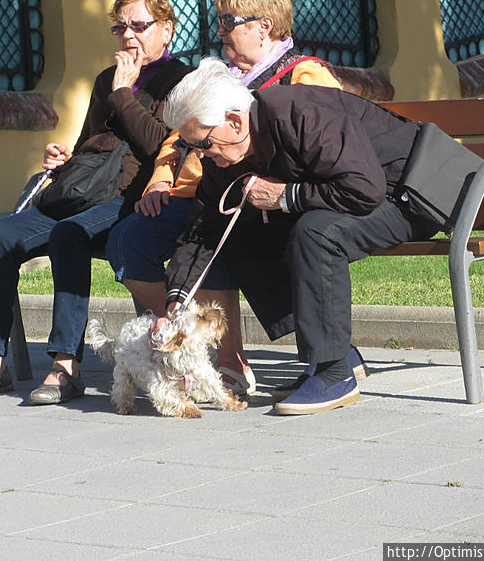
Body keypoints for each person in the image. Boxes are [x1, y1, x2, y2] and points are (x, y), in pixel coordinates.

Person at [0, 0, 191, 404]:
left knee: (69, 236)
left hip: (130, 195)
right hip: (82, 189)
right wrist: (64, 157)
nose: (128, 36)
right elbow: (91, 143)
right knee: (2, 235)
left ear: (166, 29)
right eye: (120, 28)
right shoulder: (104, 79)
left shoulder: (181, 80)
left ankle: (65, 365)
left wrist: (123, 93)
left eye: (140, 26)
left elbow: (159, 146)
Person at [157, 57, 441, 415]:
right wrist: (177, 301)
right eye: (191, 146)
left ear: (234, 120)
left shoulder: (300, 113)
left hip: (414, 191)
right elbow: (204, 229)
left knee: (316, 233)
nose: (200, 155)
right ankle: (334, 355)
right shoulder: (225, 157)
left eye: (204, 143)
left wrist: (286, 196)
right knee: (242, 235)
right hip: (368, 194)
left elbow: (365, 188)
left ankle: (334, 373)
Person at [106, 0, 343, 395]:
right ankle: (181, 342)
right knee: (128, 241)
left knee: (215, 232)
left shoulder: (305, 75)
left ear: (263, 26)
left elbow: (321, 143)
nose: (219, 32)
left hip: (254, 202)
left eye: (227, 22)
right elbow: (175, 138)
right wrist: (161, 179)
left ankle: (227, 357)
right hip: (194, 192)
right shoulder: (214, 76)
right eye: (218, 23)